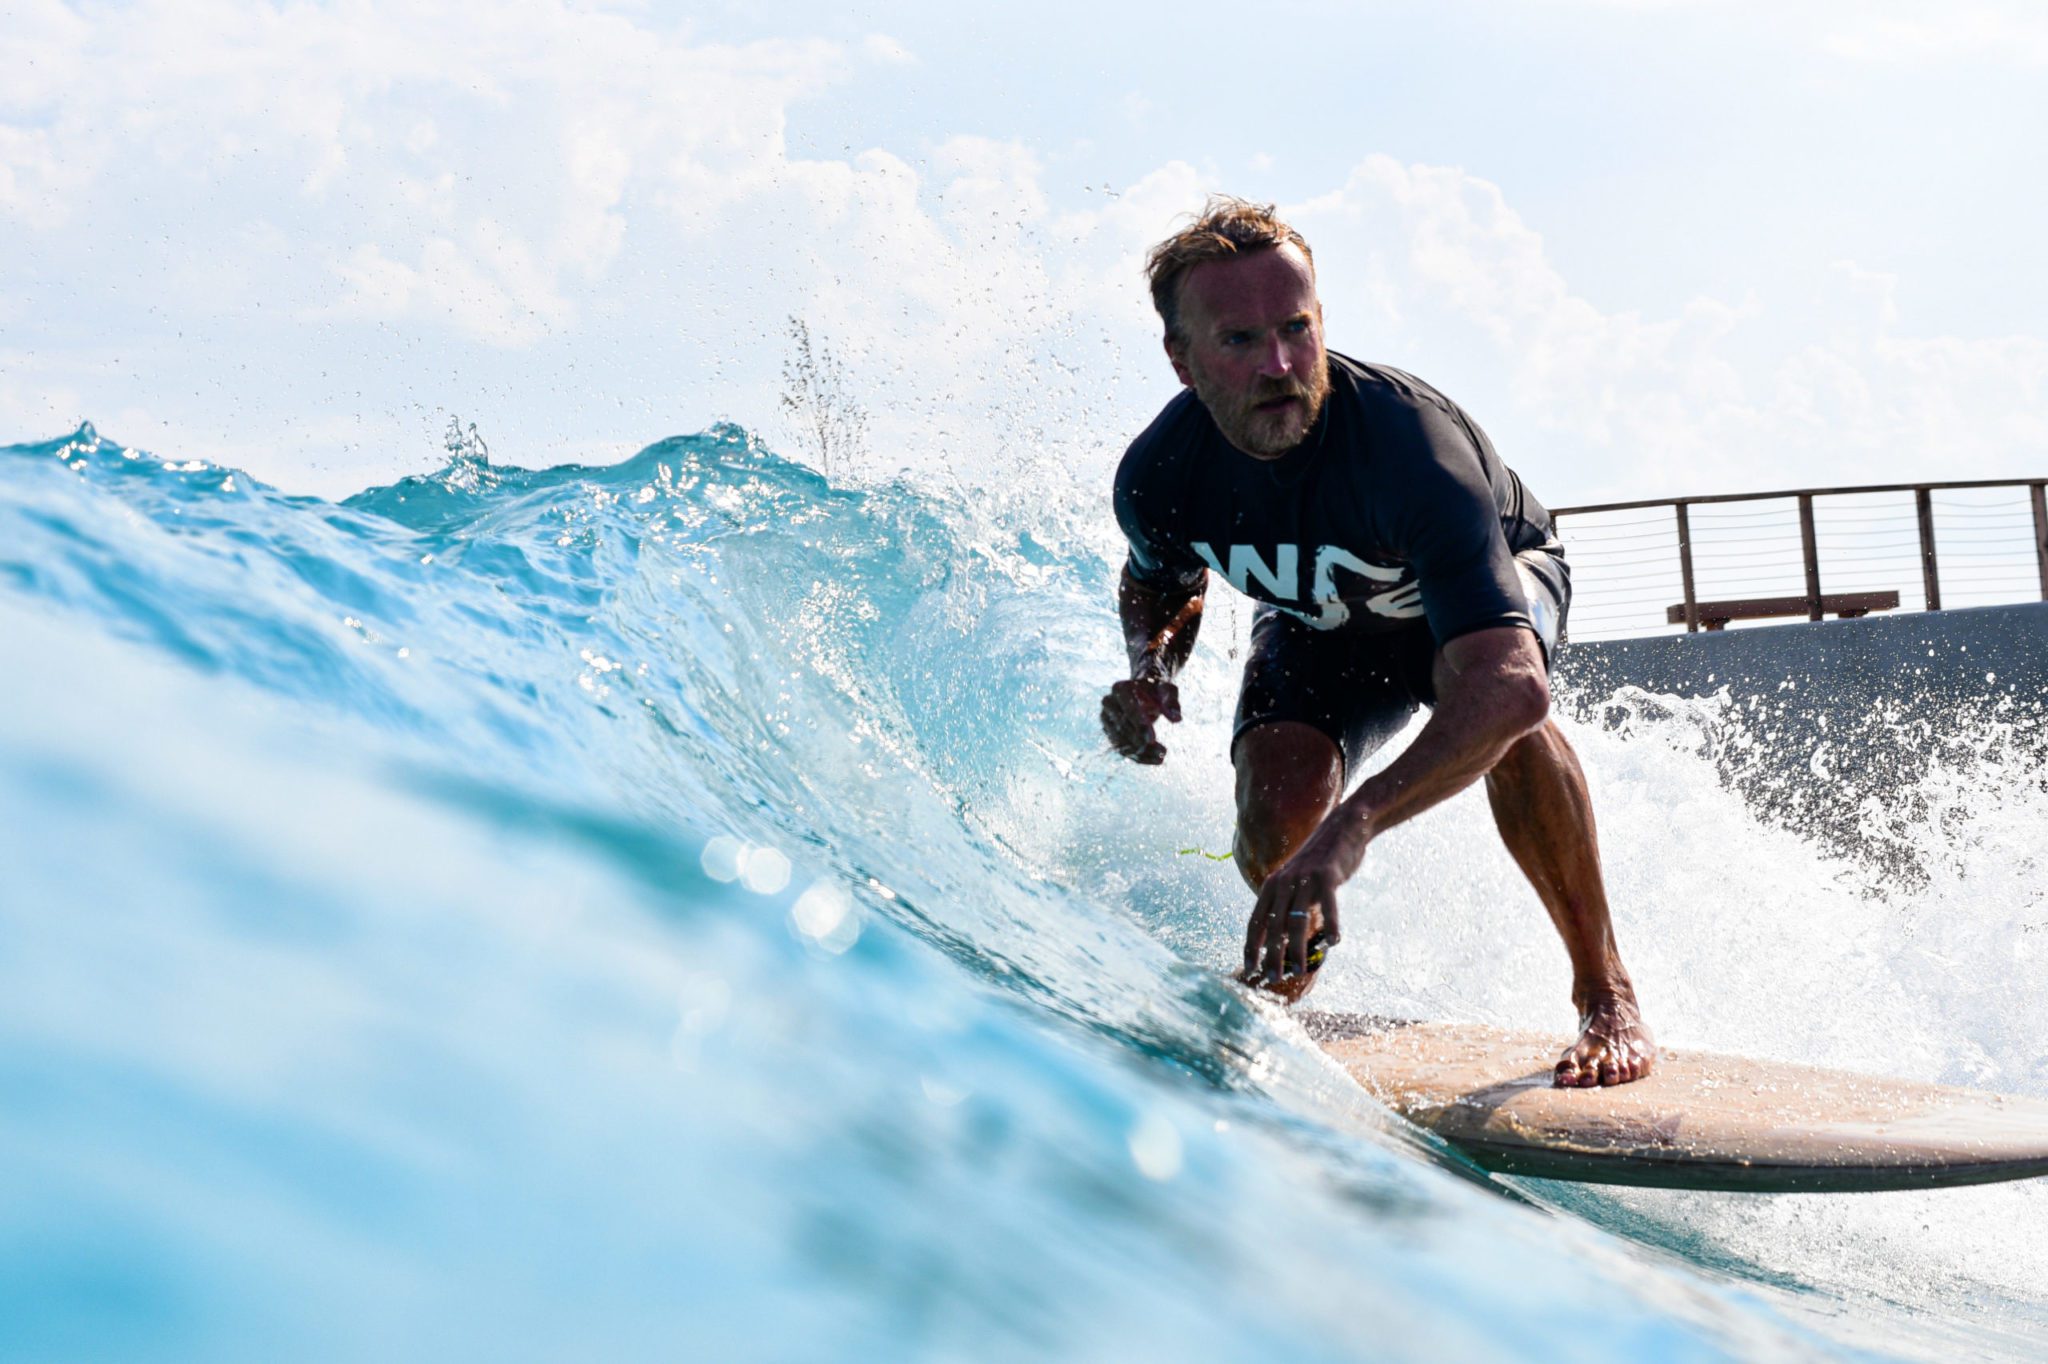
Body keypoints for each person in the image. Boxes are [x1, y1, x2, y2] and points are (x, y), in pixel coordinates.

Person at [1100, 196, 1654, 1087]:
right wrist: (1149, 666)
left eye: (1296, 328)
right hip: (1319, 619)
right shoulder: (1161, 476)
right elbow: (1162, 582)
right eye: (1239, 341)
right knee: (1275, 811)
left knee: (1504, 721)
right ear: (1182, 360)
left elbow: (1512, 684)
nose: (1280, 365)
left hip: (1476, 600)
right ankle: (1283, 981)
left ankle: (1606, 994)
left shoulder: (1408, 447)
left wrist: (1353, 828)